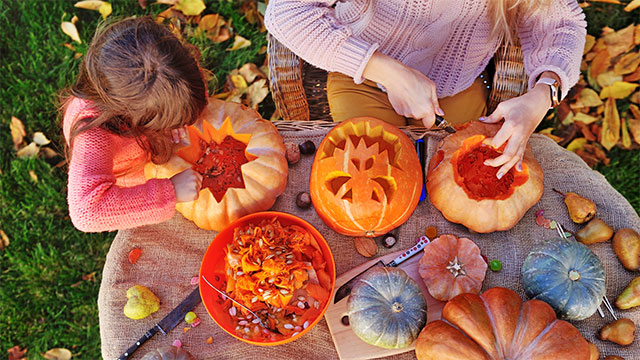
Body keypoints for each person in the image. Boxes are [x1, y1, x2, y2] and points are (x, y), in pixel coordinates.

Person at [265, 0, 586, 178]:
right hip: (365, 78)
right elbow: (287, 11)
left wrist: (543, 94)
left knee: (456, 180)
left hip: (458, 86)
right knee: (368, 176)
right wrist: (390, 72)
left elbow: (562, 24)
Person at [60, 17, 207, 232]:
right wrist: (171, 191)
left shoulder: (170, 71)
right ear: (133, 117)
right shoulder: (93, 133)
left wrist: (175, 119)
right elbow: (87, 212)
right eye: (164, 120)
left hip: (152, 154)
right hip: (134, 178)